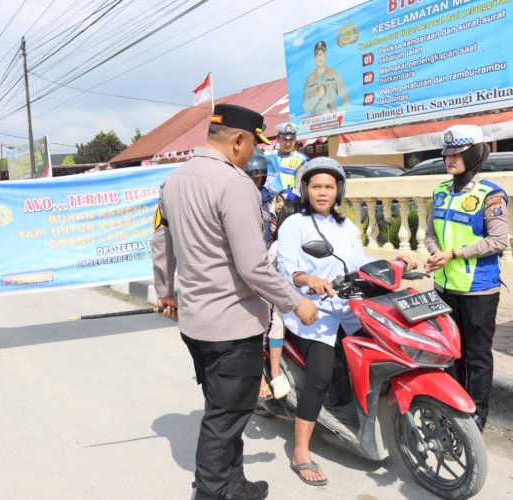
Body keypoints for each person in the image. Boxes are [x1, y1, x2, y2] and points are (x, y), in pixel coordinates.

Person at [152, 103, 319, 500]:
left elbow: (161, 243)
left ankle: (233, 484)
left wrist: (165, 292)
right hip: (232, 325)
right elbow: (253, 266)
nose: (251, 158)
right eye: (251, 147)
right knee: (224, 419)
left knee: (227, 409)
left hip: (196, 323)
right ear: (239, 140)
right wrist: (296, 303)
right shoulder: (236, 184)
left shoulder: (173, 181)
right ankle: (210, 492)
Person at [276, 157, 411, 486]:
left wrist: (391, 264)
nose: (322, 192)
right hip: (312, 310)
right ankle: (301, 452)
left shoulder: (346, 225)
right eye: (316, 186)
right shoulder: (294, 225)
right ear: (305, 190)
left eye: (329, 186)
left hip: (349, 306)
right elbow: (285, 267)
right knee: (320, 376)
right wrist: (307, 278)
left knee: (389, 349)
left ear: (339, 191)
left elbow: (358, 259)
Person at [424, 125, 509, 432]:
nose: (450, 159)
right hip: (444, 287)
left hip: (478, 291)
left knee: (477, 357)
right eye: (447, 154)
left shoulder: (490, 195)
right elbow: (431, 233)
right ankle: (452, 410)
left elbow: (499, 241)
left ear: (473, 154)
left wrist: (455, 254)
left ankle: (476, 420)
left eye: (457, 154)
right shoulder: (441, 192)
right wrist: (435, 253)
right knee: (449, 353)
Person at [258, 190, 301, 400]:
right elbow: (265, 274)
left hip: (297, 295)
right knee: (276, 324)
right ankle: (273, 373)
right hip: (274, 296)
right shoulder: (277, 246)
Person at [303, 41, 349, 116]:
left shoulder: (334, 74)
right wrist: (318, 96)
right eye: (317, 54)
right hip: (316, 124)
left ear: (326, 56)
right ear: (314, 59)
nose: (320, 57)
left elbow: (346, 99)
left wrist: (339, 115)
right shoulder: (309, 79)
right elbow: (306, 107)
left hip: (332, 121)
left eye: (322, 54)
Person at [263, 123, 309, 199]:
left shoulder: (301, 160)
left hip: (289, 203)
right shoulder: (268, 157)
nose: (288, 143)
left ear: (295, 139)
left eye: (291, 140)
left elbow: (301, 188)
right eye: (285, 139)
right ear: (278, 139)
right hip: (269, 203)